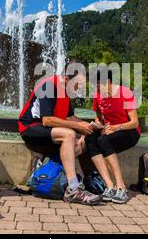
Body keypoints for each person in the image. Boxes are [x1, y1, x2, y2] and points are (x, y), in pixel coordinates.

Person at [19, 65, 102, 206]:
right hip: (31, 128)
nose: (79, 89)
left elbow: (70, 118)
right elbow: (47, 120)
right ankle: (73, 189)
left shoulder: (67, 92)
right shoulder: (49, 86)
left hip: (49, 132)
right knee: (69, 134)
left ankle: (45, 166)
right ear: (67, 78)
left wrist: (89, 126)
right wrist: (77, 127)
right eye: (77, 85)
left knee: (83, 139)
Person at [85, 70, 141, 204]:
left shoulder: (125, 92)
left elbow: (134, 123)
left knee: (103, 140)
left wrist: (117, 127)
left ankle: (121, 187)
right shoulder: (97, 95)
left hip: (129, 131)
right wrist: (98, 124)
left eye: (98, 85)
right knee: (90, 139)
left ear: (108, 82)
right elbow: (98, 116)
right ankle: (109, 185)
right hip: (110, 131)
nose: (96, 89)